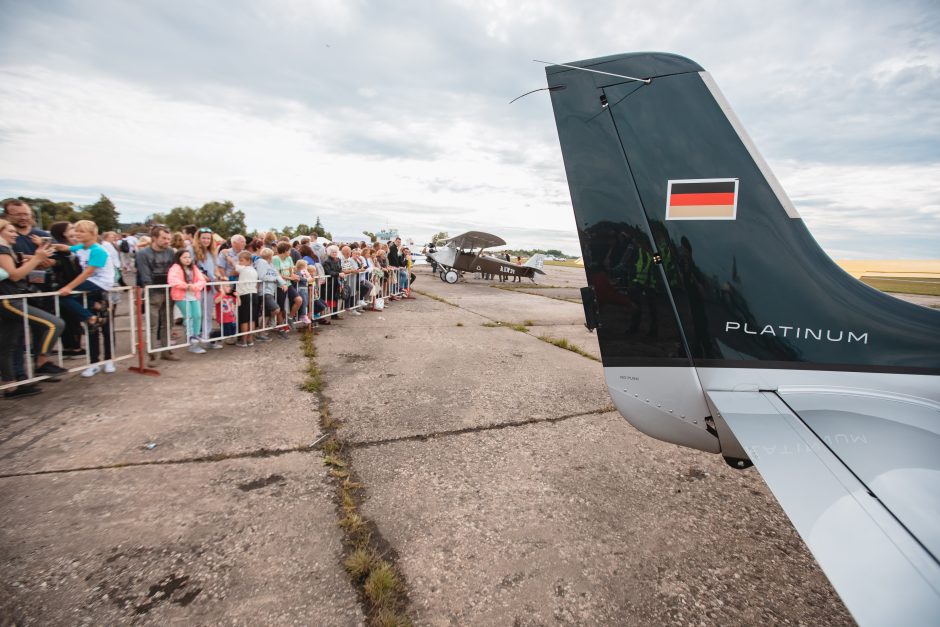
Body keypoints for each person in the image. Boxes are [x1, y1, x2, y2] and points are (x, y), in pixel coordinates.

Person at [0, 218, 66, 397]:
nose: (16, 234)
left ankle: (10, 385)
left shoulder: (9, 250)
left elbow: (23, 264)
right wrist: (37, 258)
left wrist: (40, 258)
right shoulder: (2, 249)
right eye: (10, 231)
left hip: (13, 298)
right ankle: (42, 363)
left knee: (7, 345)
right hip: (9, 300)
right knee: (54, 324)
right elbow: (14, 275)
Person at [58, 221, 116, 376]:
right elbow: (67, 248)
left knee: (106, 329)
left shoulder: (99, 251)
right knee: (92, 329)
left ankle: (109, 360)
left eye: (81, 231)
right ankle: (94, 362)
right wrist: (50, 246)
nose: (77, 234)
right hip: (89, 289)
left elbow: (87, 273)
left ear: (93, 234)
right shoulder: (81, 248)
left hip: (100, 286)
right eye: (76, 231)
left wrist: (69, 287)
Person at [136, 225, 178, 364]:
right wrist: (150, 288)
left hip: (168, 291)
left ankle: (166, 351)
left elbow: (174, 270)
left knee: (168, 323)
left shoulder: (171, 252)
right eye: (164, 238)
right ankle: (153, 355)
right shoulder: (143, 254)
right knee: (153, 325)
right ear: (154, 238)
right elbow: (145, 275)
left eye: (168, 238)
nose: (167, 241)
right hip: (153, 292)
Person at [168, 249, 208, 354]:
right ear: (179, 258)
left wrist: (194, 287)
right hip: (181, 296)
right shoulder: (175, 268)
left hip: (193, 295)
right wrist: (186, 286)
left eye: (189, 257)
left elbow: (202, 280)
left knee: (198, 315)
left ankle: (195, 335)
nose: (187, 259)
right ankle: (191, 339)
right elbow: (172, 280)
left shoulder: (193, 268)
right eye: (184, 257)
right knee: (189, 316)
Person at [234, 251, 259, 347]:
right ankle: (250, 339)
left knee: (244, 319)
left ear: (248, 261)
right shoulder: (254, 270)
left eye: (241, 260)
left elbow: (234, 266)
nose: (239, 262)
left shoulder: (243, 268)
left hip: (245, 295)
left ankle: (243, 340)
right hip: (254, 294)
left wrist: (227, 256)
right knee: (251, 319)